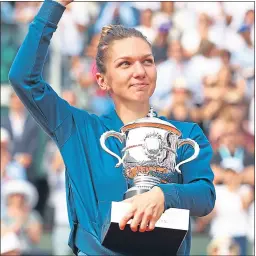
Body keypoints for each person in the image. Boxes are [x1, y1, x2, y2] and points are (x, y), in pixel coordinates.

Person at [8, 0, 216, 255]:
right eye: (125, 63)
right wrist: (55, 6)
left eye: (147, 61)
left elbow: (205, 196)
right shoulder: (79, 129)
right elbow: (23, 78)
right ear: (102, 80)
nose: (139, 71)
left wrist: (163, 195)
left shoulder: (185, 134)